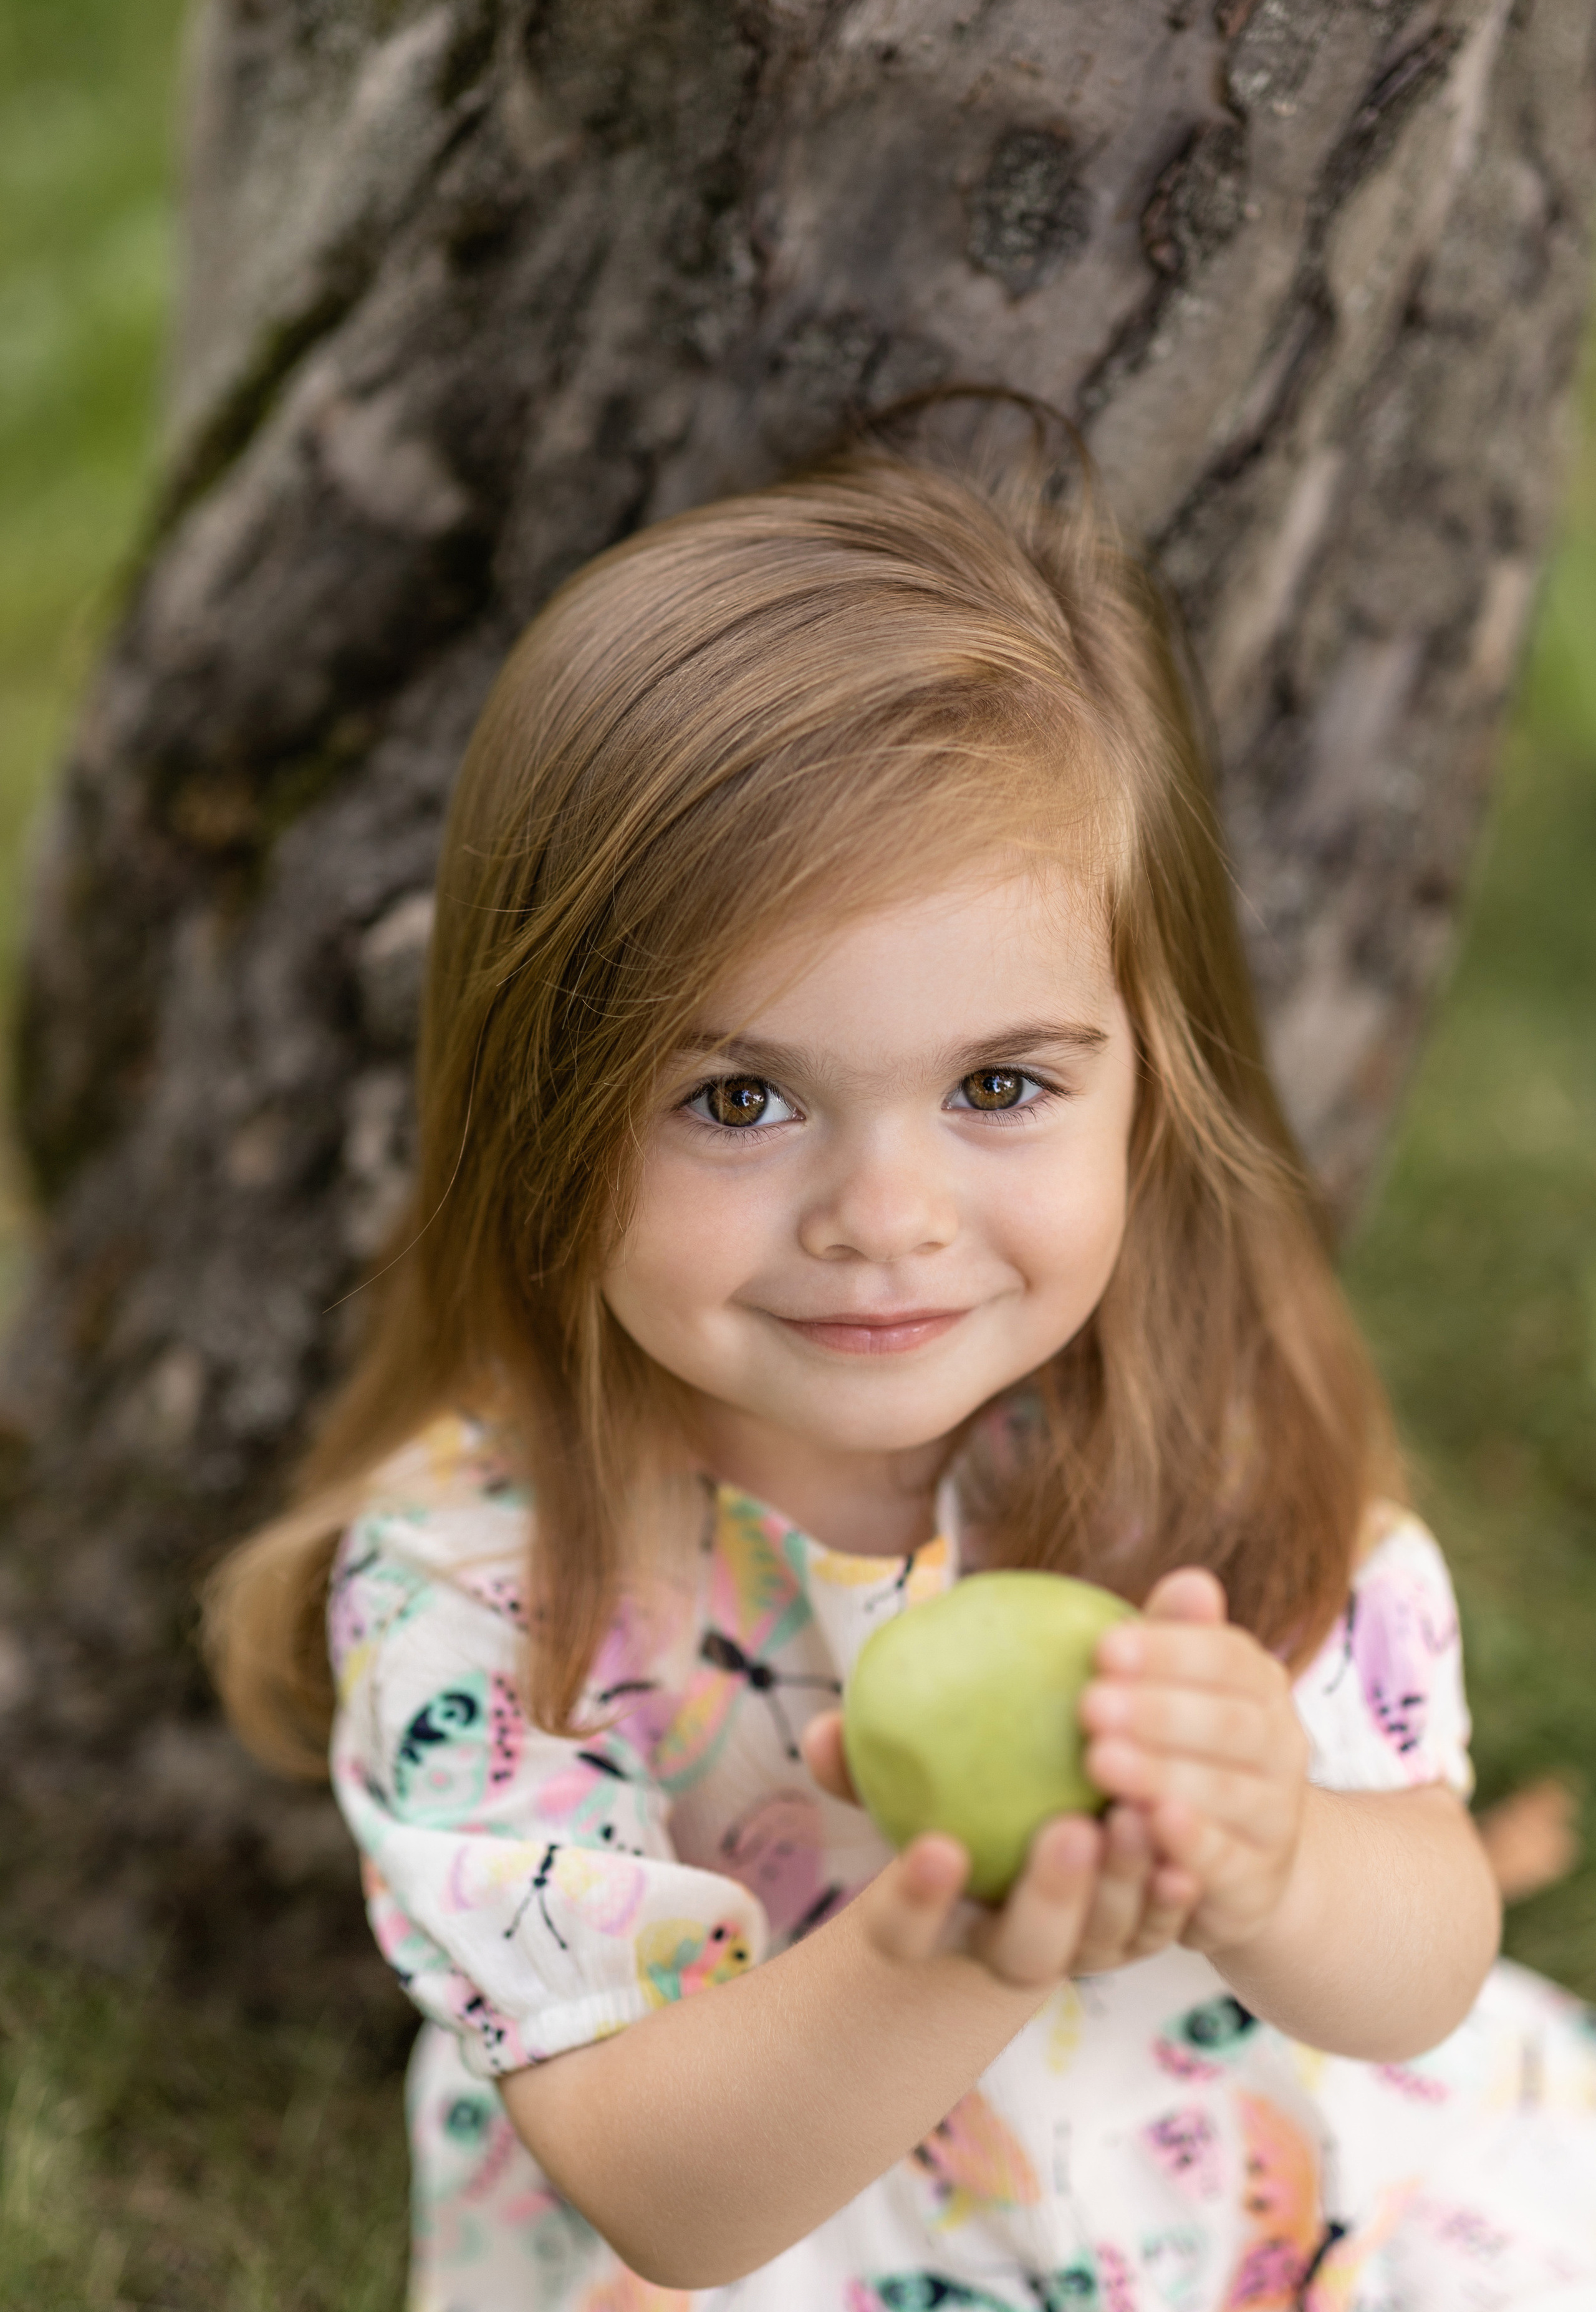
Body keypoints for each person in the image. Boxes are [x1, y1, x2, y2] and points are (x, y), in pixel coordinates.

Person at [208, 420, 1596, 2311]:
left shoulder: (1201, 1442)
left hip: (1250, 2227)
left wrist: (1274, 1853)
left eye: (1000, 1086)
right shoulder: (482, 1591)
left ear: (1146, 1088)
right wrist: (974, 1942)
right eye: (741, 1096)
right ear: (552, 1117)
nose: (885, 1212)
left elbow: (1415, 1964)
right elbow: (667, 2195)